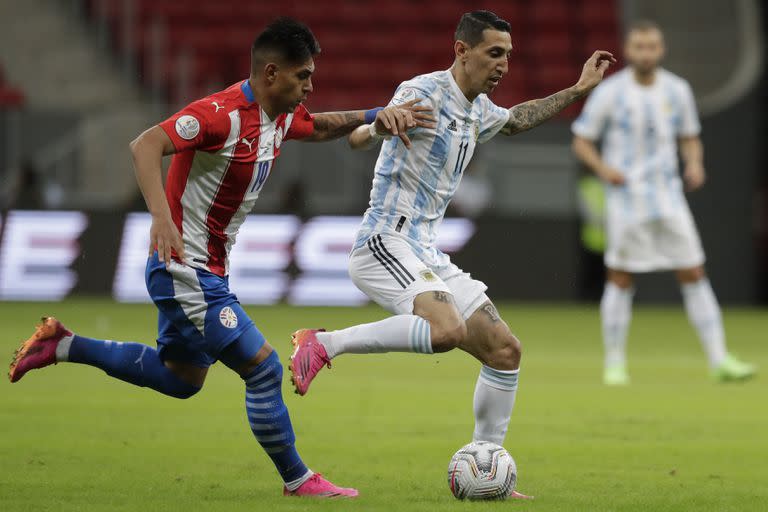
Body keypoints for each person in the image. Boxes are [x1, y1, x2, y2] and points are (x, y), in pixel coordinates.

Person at [8, 17, 433, 498]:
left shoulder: (279, 118)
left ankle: (63, 345)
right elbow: (145, 144)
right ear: (271, 73)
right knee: (265, 368)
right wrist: (160, 216)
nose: (310, 86)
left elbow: (321, 127)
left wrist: (379, 112)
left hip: (207, 267)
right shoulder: (220, 115)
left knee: (182, 379)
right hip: (182, 266)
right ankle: (298, 480)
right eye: (302, 76)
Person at [287, 10, 615, 499]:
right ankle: (323, 343)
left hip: (426, 250)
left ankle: (487, 470)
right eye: (493, 53)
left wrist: (577, 90)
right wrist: (379, 122)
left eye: (508, 55)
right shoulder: (421, 92)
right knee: (446, 331)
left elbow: (518, 119)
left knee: (505, 351)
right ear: (462, 50)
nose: (503, 65)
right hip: (385, 239)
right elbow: (357, 138)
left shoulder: (478, 109)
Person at [570, 20, 755, 385]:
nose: (646, 53)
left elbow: (689, 136)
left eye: (652, 47)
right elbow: (581, 140)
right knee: (621, 278)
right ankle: (615, 363)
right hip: (626, 200)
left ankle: (720, 360)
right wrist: (604, 169)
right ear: (628, 50)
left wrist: (695, 163)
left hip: (668, 197)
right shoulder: (611, 92)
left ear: (661, 50)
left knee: (693, 271)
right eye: (639, 47)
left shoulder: (677, 90)